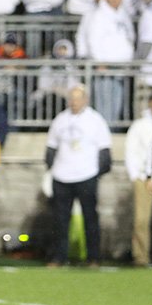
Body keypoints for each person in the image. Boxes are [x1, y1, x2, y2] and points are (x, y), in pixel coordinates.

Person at [45, 85, 112, 267]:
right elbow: (51, 148)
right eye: (72, 98)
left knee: (90, 218)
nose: (74, 102)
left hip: (86, 174)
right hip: (61, 175)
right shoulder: (60, 119)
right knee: (60, 220)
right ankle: (59, 257)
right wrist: (52, 168)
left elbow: (105, 150)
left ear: (85, 99)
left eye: (78, 98)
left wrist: (98, 172)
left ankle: (94, 257)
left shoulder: (96, 120)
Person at [125, 94, 152, 267]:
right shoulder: (140, 125)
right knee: (141, 220)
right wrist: (136, 176)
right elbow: (132, 152)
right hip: (144, 178)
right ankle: (141, 258)